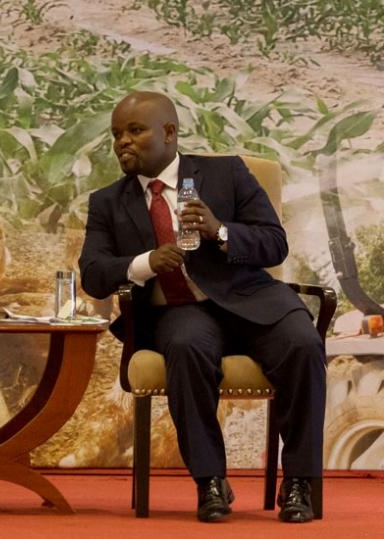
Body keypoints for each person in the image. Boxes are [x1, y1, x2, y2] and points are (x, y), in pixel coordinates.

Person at [78, 91, 326, 523]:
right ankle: (210, 480)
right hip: (180, 312)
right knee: (187, 346)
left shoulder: (226, 173)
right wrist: (143, 263)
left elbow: (274, 243)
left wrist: (220, 231)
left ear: (170, 133)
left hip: (252, 300)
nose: (123, 142)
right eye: (117, 134)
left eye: (135, 131)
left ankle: (299, 481)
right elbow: (94, 273)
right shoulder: (107, 202)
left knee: (303, 343)